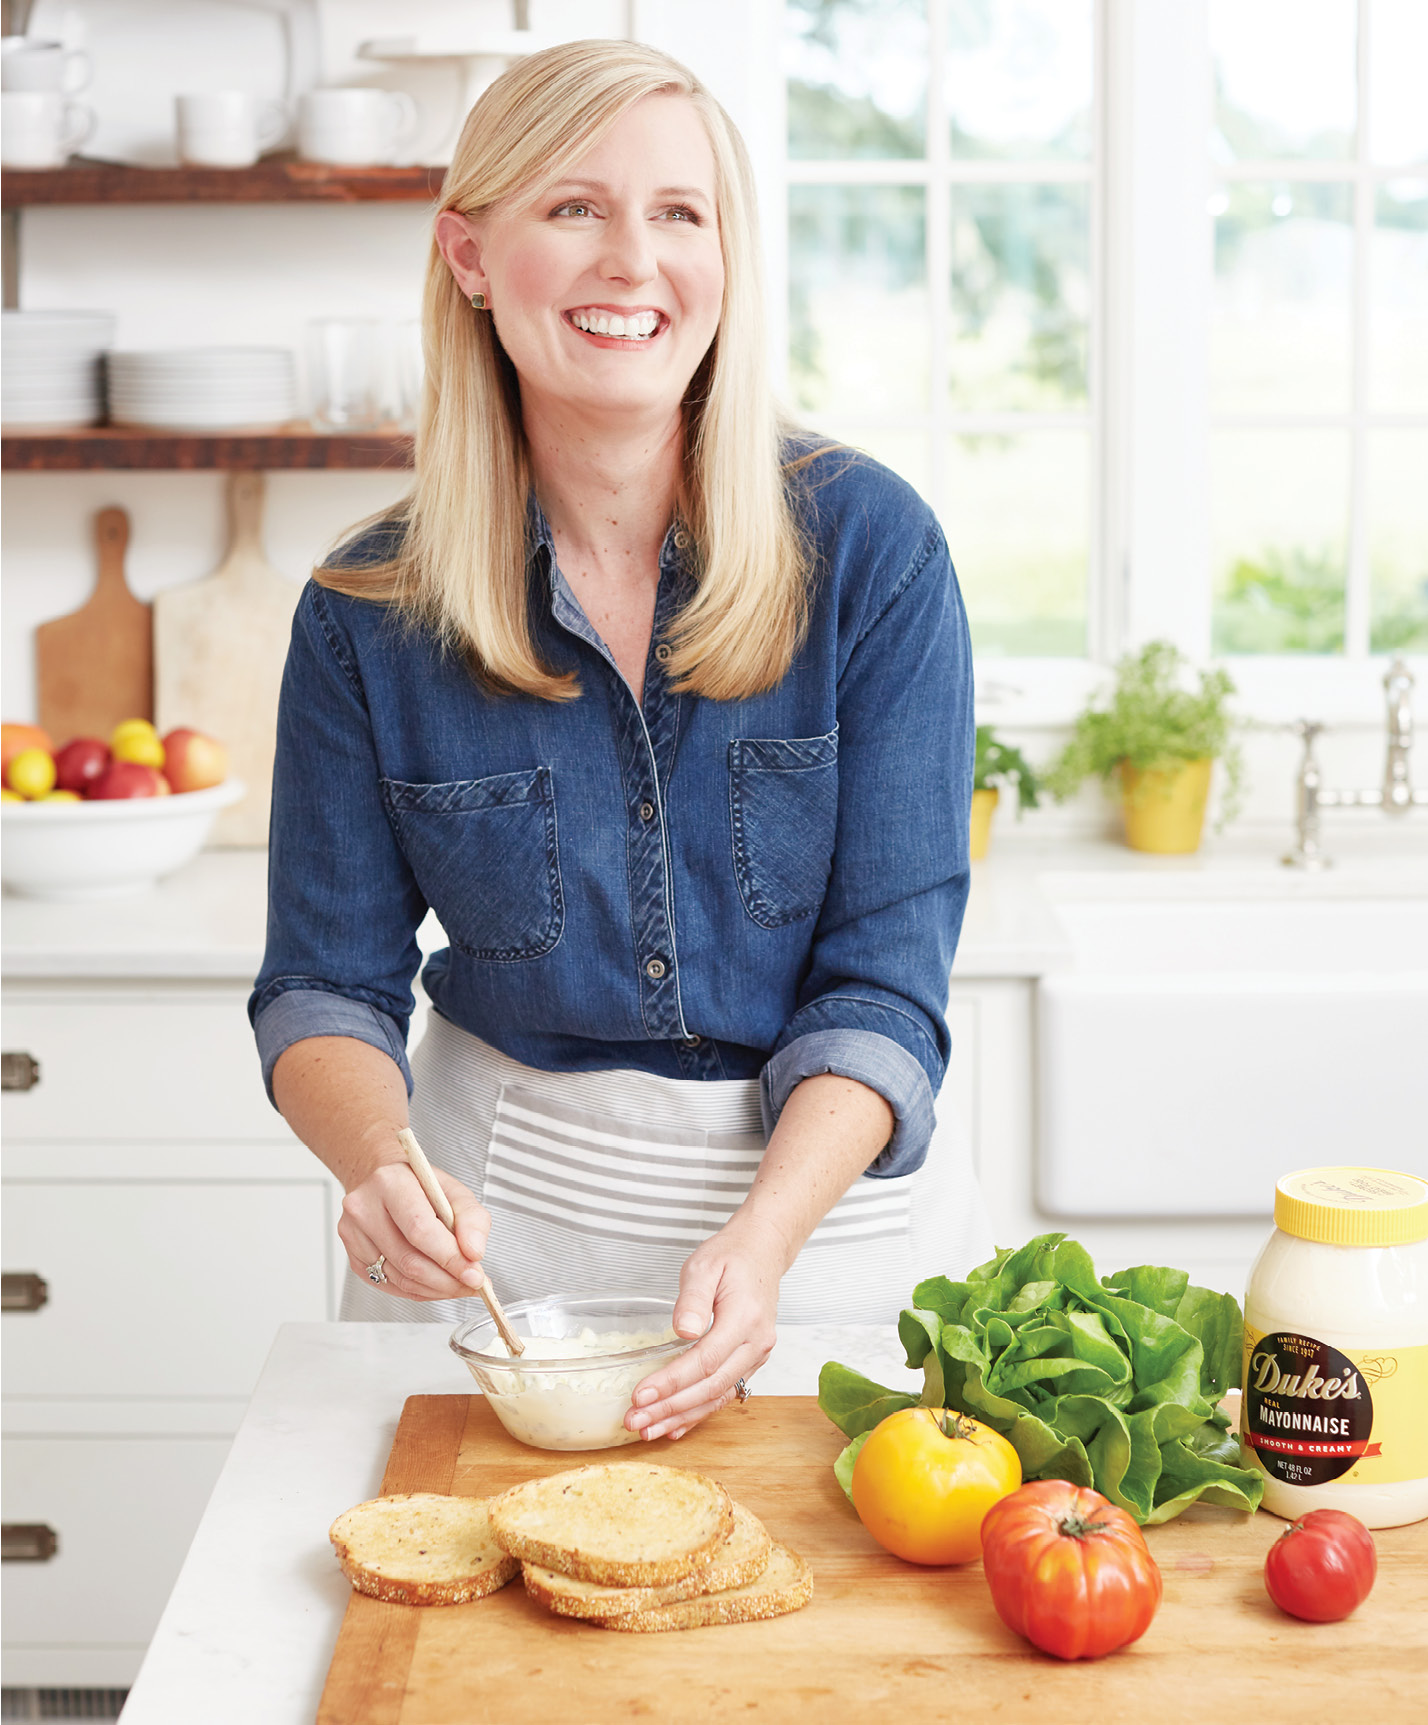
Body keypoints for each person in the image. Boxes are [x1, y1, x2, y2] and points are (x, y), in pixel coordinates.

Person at [249, 38, 991, 1445]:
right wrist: (374, 1165)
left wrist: (764, 1239)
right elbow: (320, 988)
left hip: (824, 1242)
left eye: (679, 213)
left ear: (727, 254)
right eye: (573, 208)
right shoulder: (366, 612)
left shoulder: (876, 555)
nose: (631, 261)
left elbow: (888, 979)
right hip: (499, 1254)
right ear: (471, 253)